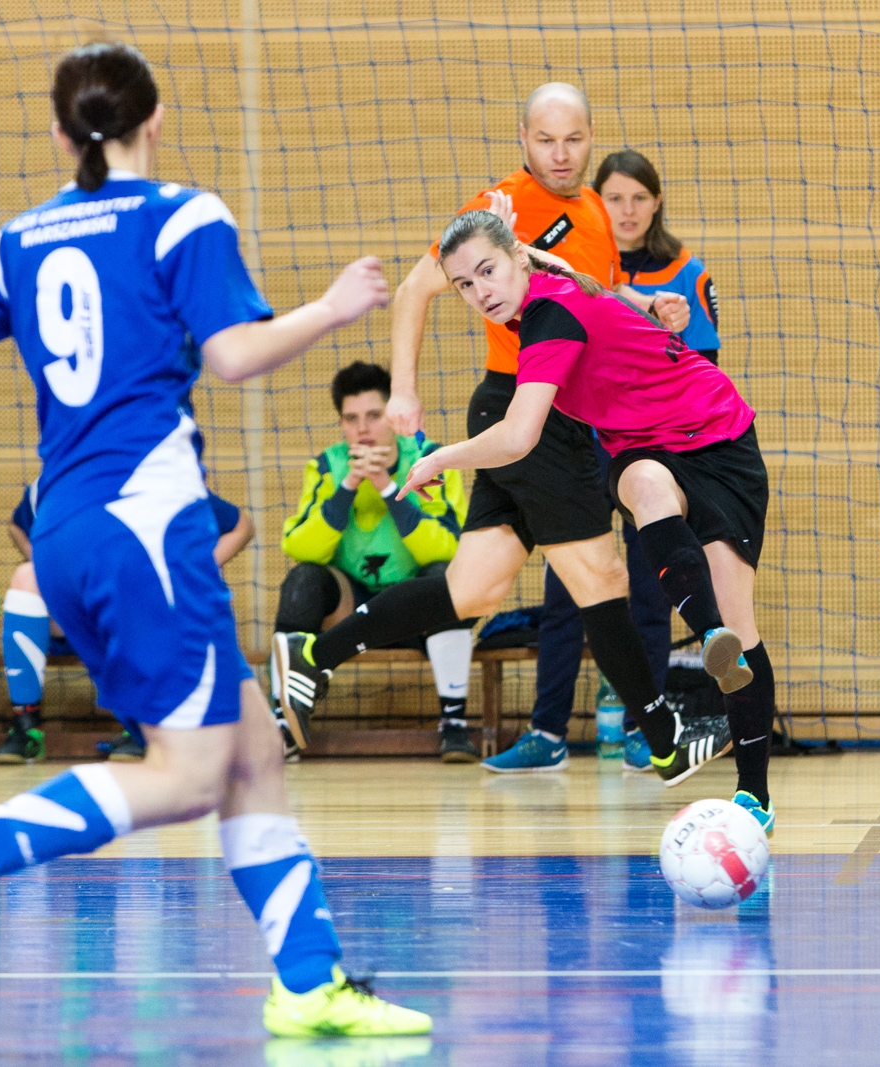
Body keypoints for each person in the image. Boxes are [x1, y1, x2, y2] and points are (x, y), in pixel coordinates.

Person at [0, 42, 429, 1037]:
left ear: (61, 132)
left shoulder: (20, 236)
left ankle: (310, 979)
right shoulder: (183, 214)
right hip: (146, 521)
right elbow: (230, 356)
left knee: (254, 744)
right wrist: (333, 306)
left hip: (65, 525)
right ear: (158, 116)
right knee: (187, 772)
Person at [276, 83, 732, 787]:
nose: (559, 153)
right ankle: (664, 737)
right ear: (524, 138)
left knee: (473, 590)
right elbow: (412, 290)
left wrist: (647, 303)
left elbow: (590, 292)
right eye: (545, 140)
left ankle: (316, 655)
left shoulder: (591, 210)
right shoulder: (496, 210)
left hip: (562, 412)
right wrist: (403, 387)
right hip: (524, 407)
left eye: (573, 139)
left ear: (588, 138)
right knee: (601, 575)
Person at [409, 209, 778, 833]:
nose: (480, 293)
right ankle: (708, 631)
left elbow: (520, 436)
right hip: (644, 445)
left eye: (488, 271)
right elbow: (560, 272)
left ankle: (754, 793)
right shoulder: (549, 282)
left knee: (742, 629)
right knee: (642, 483)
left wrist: (442, 457)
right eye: (464, 285)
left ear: (518, 259)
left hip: (720, 441)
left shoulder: (552, 314)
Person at [271, 361, 476, 762]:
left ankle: (454, 724)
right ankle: (285, 722)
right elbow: (299, 547)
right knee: (303, 582)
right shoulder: (328, 467)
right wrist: (348, 486)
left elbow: (449, 548)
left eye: (373, 415)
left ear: (393, 415)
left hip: (416, 608)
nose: (362, 429)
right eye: (351, 419)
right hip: (353, 608)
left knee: (447, 579)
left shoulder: (429, 460)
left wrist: (387, 487)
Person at [0, 470, 254, 763]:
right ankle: (26, 727)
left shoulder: (157, 479)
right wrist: (46, 564)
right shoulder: (55, 480)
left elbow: (241, 526)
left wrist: (192, 569)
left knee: (148, 585)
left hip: (136, 612)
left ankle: (143, 726)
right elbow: (17, 525)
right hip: (74, 617)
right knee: (26, 577)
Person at [596, 149, 720, 363]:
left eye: (640, 198)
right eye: (615, 198)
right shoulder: (581, 266)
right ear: (596, 202)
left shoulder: (689, 272)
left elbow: (705, 365)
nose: (628, 210)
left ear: (656, 202)